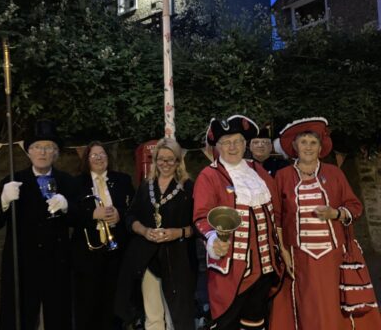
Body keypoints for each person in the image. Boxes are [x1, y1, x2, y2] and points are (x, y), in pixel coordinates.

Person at [269, 117, 381, 330]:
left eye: (313, 142)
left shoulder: (335, 173)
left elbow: (355, 207)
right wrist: (283, 251)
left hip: (333, 256)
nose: (308, 147)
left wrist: (336, 213)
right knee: (307, 308)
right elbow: (276, 216)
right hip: (299, 257)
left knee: (331, 308)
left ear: (320, 147)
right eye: (303, 142)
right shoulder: (282, 176)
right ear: (294, 146)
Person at [193, 115, 283, 330]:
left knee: (255, 322)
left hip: (264, 266)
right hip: (231, 269)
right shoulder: (209, 175)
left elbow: (276, 211)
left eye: (237, 141)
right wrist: (213, 237)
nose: (232, 147)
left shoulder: (258, 170)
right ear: (218, 147)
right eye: (226, 142)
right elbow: (200, 216)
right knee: (227, 322)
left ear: (245, 144)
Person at [0, 119, 75, 330]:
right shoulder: (13, 180)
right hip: (22, 264)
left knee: (58, 317)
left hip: (56, 263)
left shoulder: (68, 181)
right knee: (20, 318)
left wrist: (68, 206)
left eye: (48, 147)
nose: (42, 152)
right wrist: (4, 202)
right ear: (28, 153)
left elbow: (79, 219)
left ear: (56, 153)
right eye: (36, 147)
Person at [115, 138, 196, 330]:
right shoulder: (146, 185)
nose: (165, 164)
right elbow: (130, 216)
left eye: (170, 159)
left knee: (176, 316)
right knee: (152, 316)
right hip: (147, 258)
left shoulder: (189, 187)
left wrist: (177, 232)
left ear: (178, 161)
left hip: (178, 259)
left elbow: (199, 224)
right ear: (155, 160)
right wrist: (144, 231)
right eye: (161, 159)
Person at [71, 141, 135, 330]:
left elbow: (133, 209)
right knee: (88, 302)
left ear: (108, 158)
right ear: (86, 160)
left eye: (102, 154)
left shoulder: (123, 179)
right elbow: (71, 213)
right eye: (94, 155)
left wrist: (120, 214)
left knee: (114, 300)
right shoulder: (76, 183)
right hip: (87, 252)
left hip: (116, 252)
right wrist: (92, 214)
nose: (99, 158)